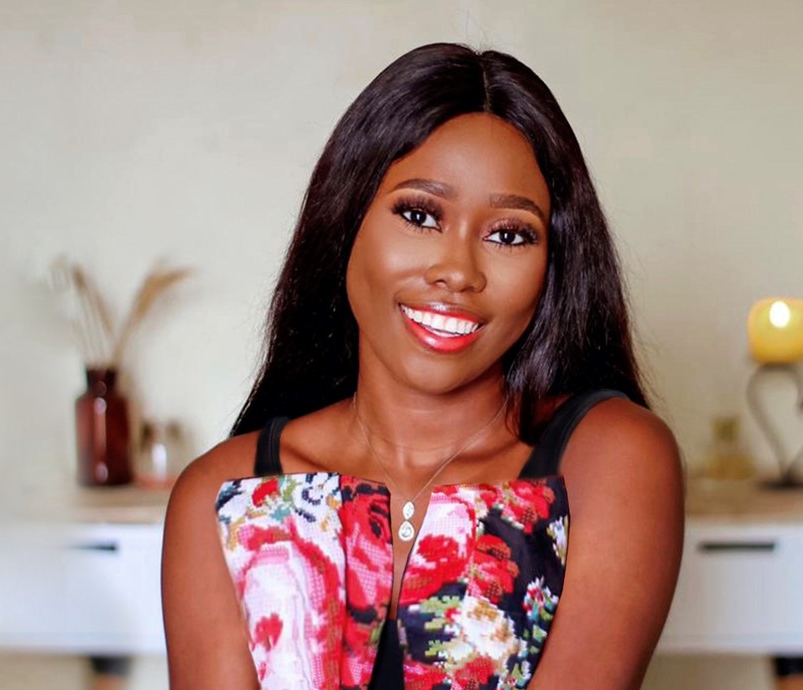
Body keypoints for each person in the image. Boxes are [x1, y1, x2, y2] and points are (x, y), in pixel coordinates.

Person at [162, 42, 684, 690]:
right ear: (345, 220)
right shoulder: (224, 492)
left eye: (509, 234)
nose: (458, 272)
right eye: (419, 215)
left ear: (553, 263)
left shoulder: (608, 458)